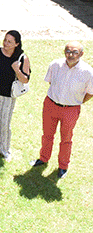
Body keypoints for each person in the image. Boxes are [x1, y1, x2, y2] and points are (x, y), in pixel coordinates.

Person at [34, 41, 93, 179]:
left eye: (75, 52)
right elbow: (50, 82)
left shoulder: (88, 72)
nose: (71, 55)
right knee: (47, 135)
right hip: (51, 104)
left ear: (81, 54)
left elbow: (90, 93)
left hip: (71, 110)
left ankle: (63, 166)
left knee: (66, 139)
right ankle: (43, 158)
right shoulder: (55, 65)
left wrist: (76, 101)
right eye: (68, 51)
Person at [0, 30, 30, 161]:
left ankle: (4, 149)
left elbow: (25, 79)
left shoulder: (22, 58)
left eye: (10, 42)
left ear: (17, 44)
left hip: (7, 96)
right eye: (5, 40)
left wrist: (17, 70)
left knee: (4, 123)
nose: (6, 43)